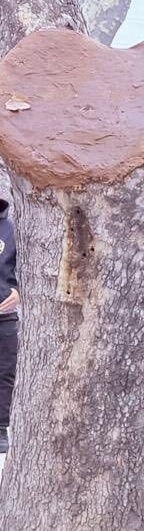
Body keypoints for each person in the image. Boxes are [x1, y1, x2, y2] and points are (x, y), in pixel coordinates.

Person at [0, 191, 17, 456]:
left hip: (4, 314)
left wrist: (20, 291)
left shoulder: (11, 229)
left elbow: (30, 265)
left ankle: (1, 429)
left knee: (4, 372)